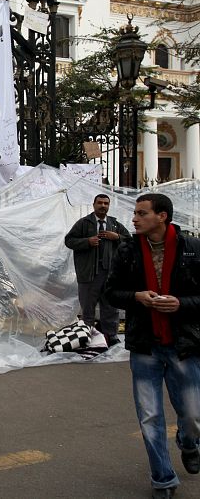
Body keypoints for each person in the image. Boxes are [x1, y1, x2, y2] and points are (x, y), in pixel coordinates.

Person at [105, 193, 200, 498]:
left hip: (183, 344)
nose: (134, 218)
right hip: (145, 346)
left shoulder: (192, 248)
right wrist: (136, 297)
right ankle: (163, 479)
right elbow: (111, 292)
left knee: (193, 415)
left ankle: (189, 442)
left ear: (162, 216)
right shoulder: (127, 250)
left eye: (141, 213)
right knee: (150, 417)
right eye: (134, 213)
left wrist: (181, 304)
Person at [65, 194, 131, 345]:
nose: (103, 206)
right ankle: (87, 337)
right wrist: (87, 241)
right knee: (88, 307)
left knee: (110, 307)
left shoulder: (114, 224)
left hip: (109, 274)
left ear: (109, 206)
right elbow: (69, 241)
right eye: (100, 203)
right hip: (89, 274)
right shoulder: (84, 223)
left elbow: (130, 242)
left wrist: (117, 237)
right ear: (93, 204)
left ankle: (111, 336)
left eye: (106, 203)